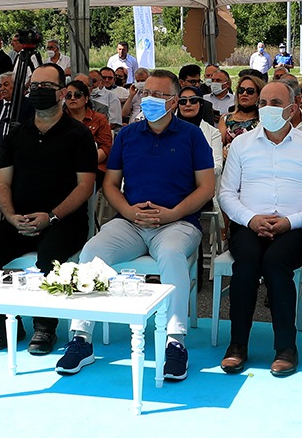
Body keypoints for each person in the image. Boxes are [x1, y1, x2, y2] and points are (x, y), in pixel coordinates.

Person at [56, 69, 216, 380]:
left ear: (173, 101)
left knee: (171, 256)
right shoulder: (128, 136)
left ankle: (175, 342)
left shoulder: (192, 136)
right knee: (91, 252)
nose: (149, 99)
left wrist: (171, 214)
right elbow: (111, 185)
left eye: (158, 95)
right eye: (146, 93)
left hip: (177, 222)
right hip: (131, 221)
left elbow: (206, 187)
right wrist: (129, 212)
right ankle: (80, 338)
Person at [0, 64, 97, 354]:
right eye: (33, 86)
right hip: (20, 219)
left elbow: (85, 187)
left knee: (48, 259)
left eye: (46, 87)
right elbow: (2, 183)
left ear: (62, 93)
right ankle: (5, 322)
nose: (38, 92)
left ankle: (45, 327)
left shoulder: (78, 135)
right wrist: (12, 216)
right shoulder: (16, 134)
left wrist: (51, 216)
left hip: (64, 221)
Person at [218, 80, 302, 377]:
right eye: (263, 102)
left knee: (275, 263)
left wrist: (291, 222)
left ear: (292, 109)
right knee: (246, 266)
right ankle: (237, 346)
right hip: (248, 224)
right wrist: (250, 219)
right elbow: (227, 194)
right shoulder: (241, 145)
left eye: (276, 103)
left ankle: (285, 348)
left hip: (295, 227)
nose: (268, 108)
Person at [62, 78, 113, 182]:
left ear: (86, 99)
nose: (72, 98)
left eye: (77, 95)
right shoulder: (59, 120)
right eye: (68, 95)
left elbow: (105, 148)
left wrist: (84, 162)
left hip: (94, 166)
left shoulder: (99, 119)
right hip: (64, 165)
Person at [176, 83, 225, 181]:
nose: (188, 104)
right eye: (183, 101)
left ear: (201, 104)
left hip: (204, 186)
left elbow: (217, 167)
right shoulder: (168, 129)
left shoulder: (213, 133)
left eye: (193, 100)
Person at [219, 74, 261, 150]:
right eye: (241, 90)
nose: (244, 94)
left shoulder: (262, 121)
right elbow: (217, 146)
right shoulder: (226, 119)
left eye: (250, 91)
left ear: (258, 95)